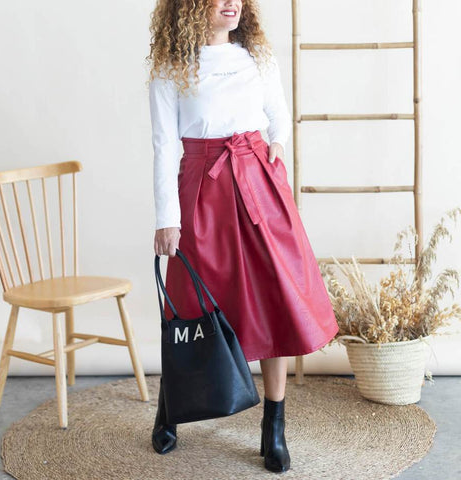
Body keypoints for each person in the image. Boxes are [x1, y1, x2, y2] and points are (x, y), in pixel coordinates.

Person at [147, 0, 339, 473]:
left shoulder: (258, 57)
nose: (232, 1)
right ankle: (170, 405)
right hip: (202, 188)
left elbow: (278, 114)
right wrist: (166, 217)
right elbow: (164, 144)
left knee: (274, 302)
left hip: (258, 186)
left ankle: (273, 425)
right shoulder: (172, 68)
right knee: (192, 304)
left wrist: (274, 147)